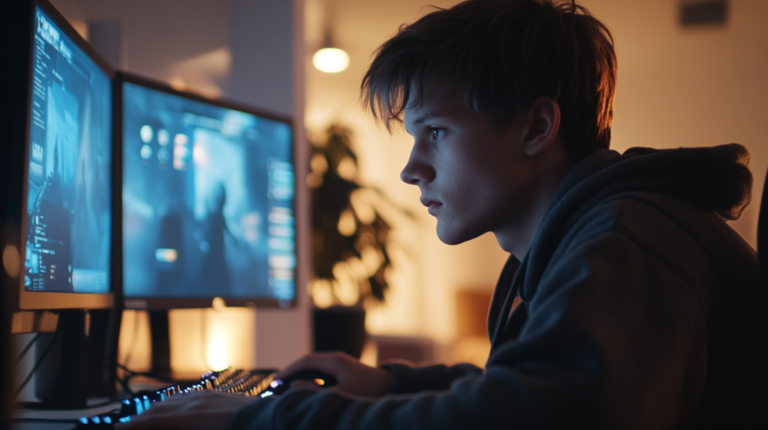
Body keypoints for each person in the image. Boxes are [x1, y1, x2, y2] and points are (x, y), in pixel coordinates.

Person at [118, 0, 768, 428]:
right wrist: (388, 385)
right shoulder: (581, 237)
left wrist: (251, 420)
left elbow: (546, 415)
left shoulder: (628, 241)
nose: (411, 168)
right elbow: (525, 382)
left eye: (435, 132)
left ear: (536, 126)